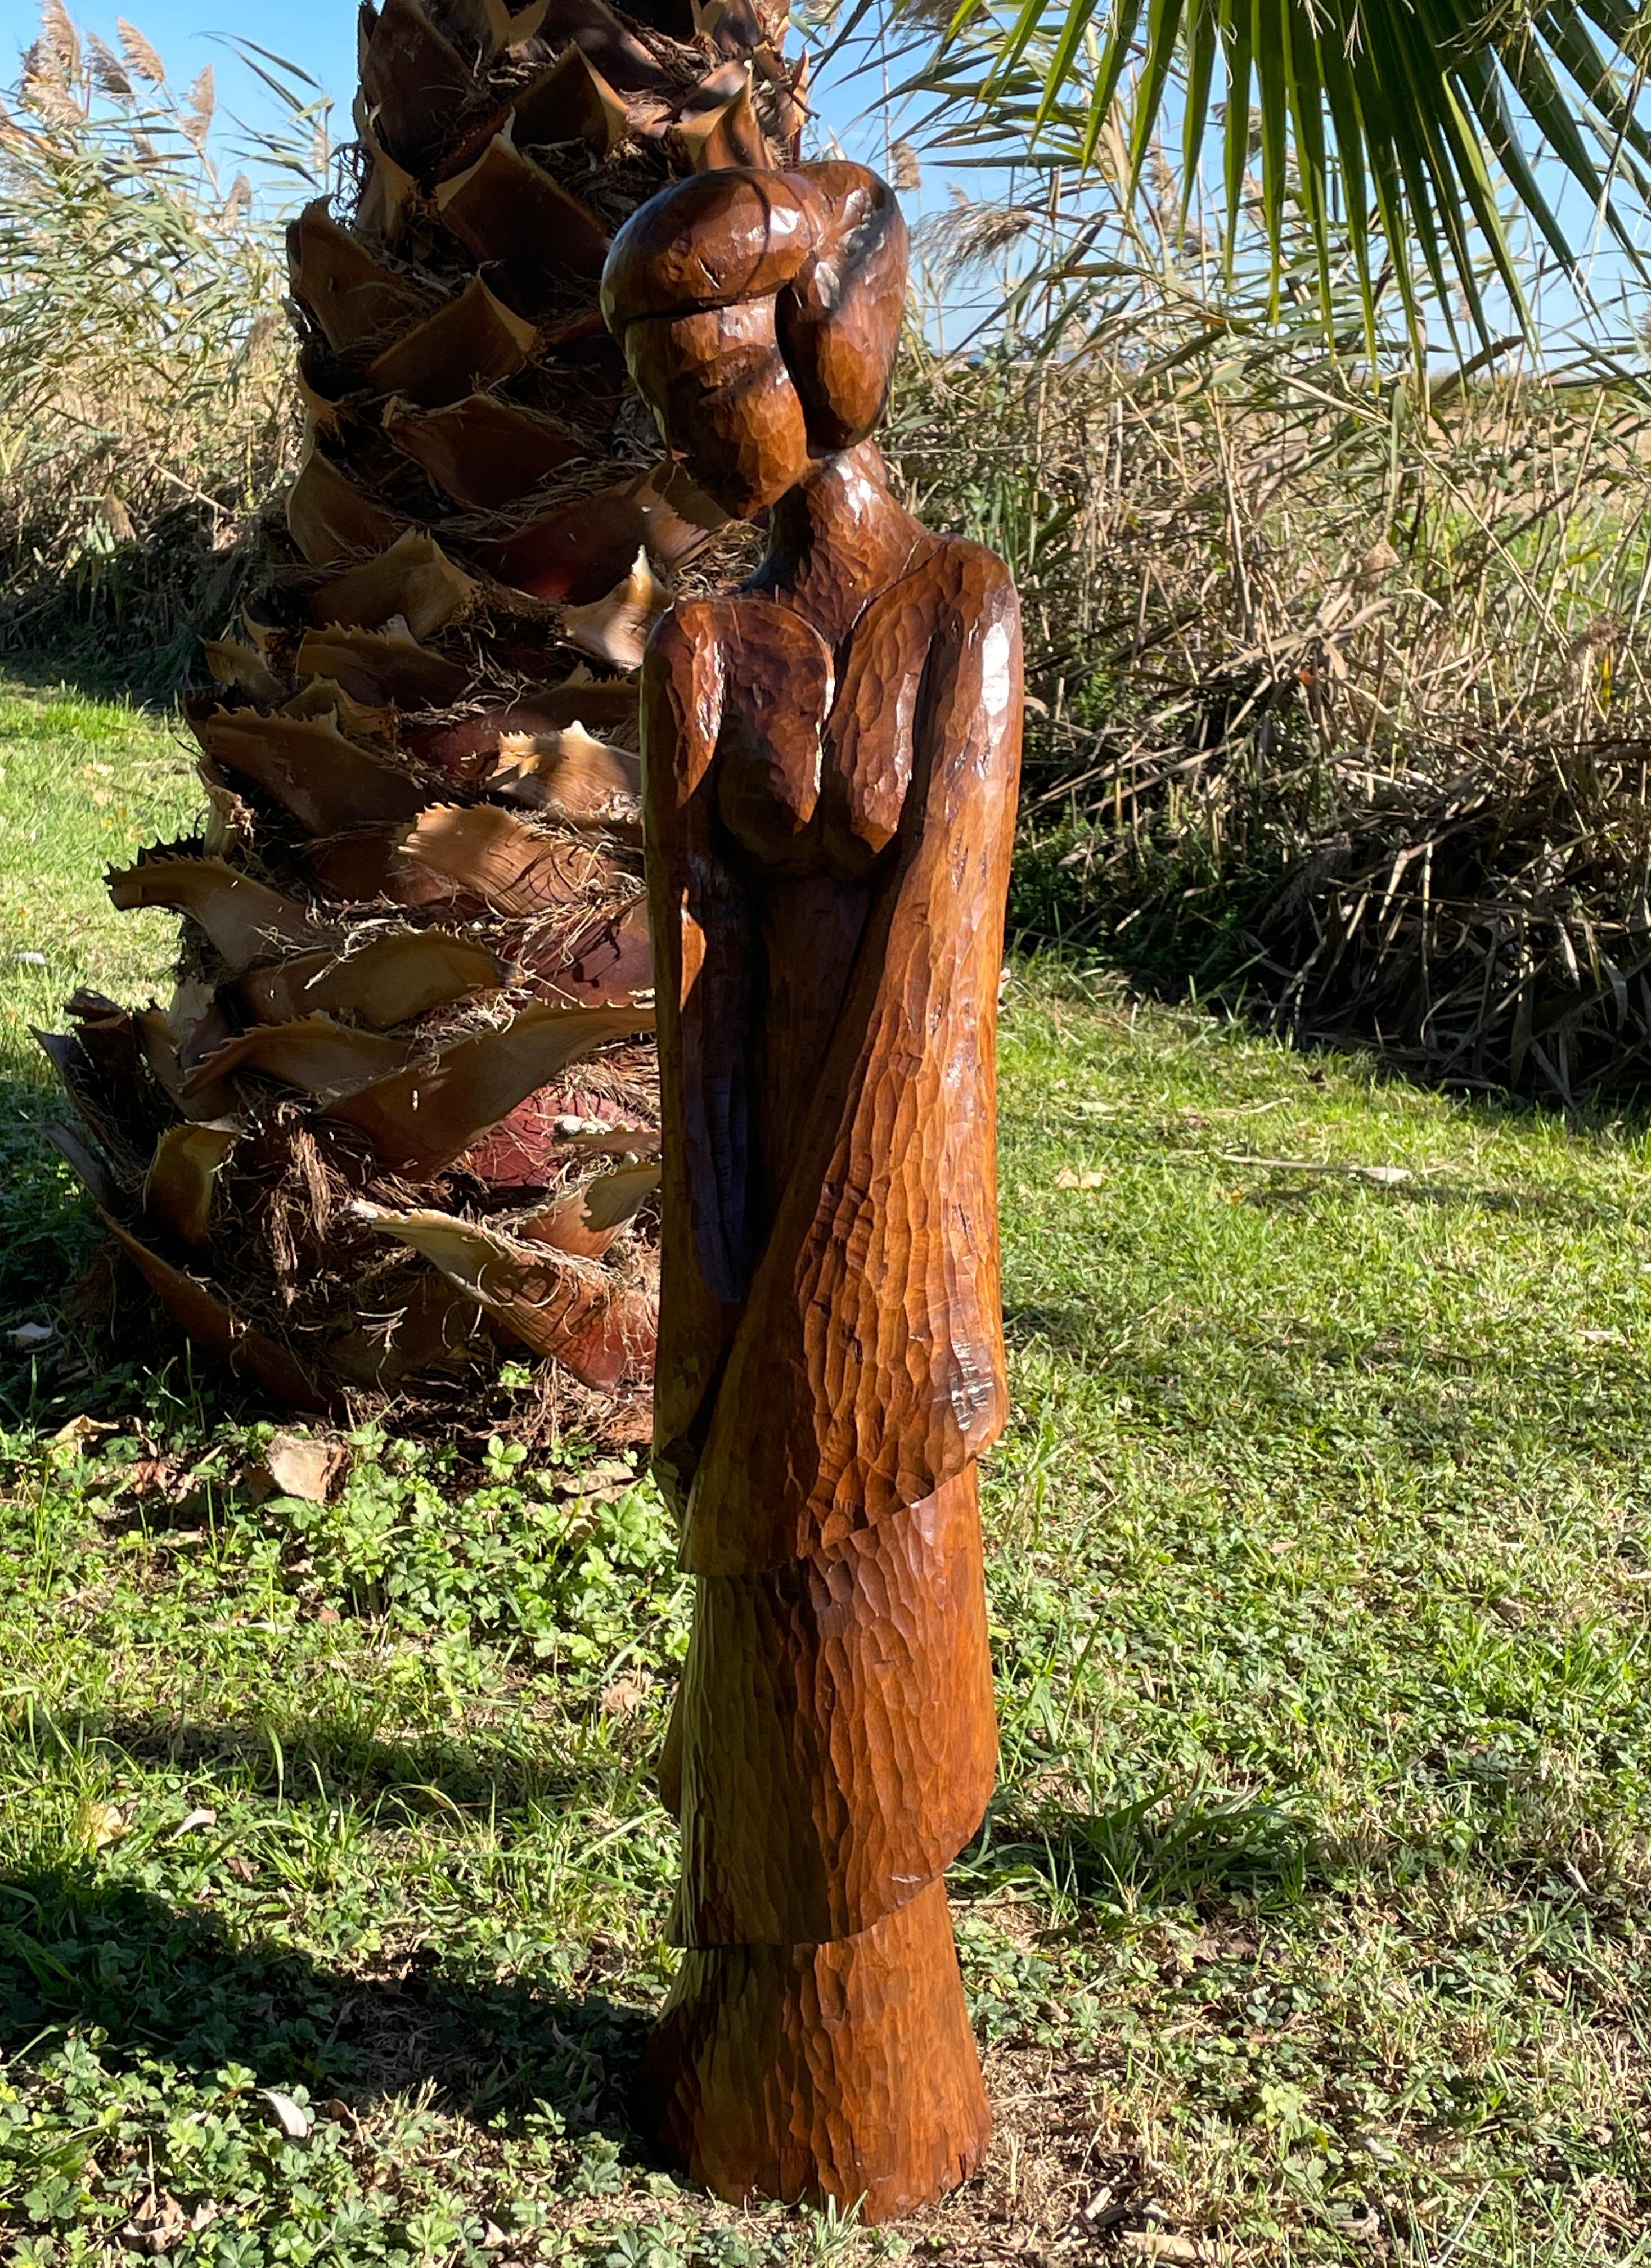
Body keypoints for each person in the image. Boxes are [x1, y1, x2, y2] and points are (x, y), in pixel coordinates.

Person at [601, 158, 1024, 2221]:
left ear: (825, 338)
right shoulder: (698, 652)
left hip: (899, 1220)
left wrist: (851, 1313)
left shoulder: (963, 608)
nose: (683, 401)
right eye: (657, 368)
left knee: (867, 1601)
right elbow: (689, 1001)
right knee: (762, 1634)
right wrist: (718, 1306)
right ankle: (748, 2050)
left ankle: (865, 2088)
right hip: (759, 1212)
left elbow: (945, 961)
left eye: (708, 348)